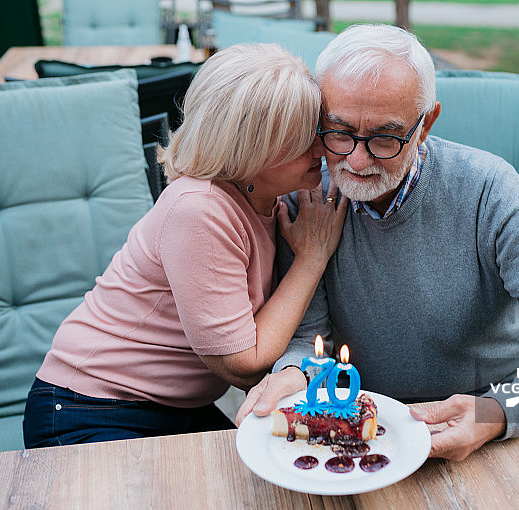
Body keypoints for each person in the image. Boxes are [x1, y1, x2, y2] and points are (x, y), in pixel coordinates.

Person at [236, 24, 519, 461]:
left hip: (492, 434)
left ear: (425, 125)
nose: (356, 162)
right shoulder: (307, 198)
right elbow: (308, 337)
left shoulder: (489, 191)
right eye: (338, 132)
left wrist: (499, 412)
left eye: (385, 137)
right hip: (363, 438)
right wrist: (292, 372)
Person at [23, 43, 348, 447]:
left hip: (169, 409)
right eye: (303, 141)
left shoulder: (269, 198)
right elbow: (242, 365)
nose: (322, 150)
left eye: (318, 133)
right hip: (89, 407)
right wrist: (311, 258)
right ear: (251, 150)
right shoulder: (200, 209)